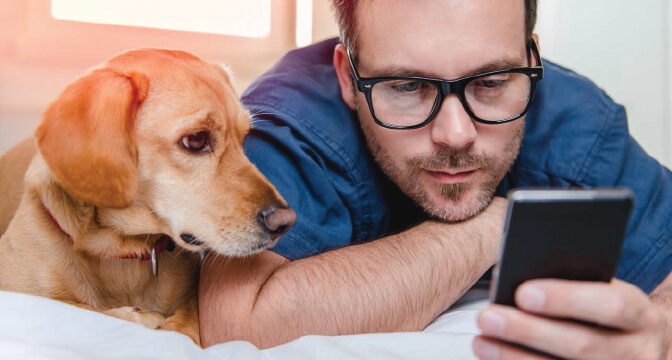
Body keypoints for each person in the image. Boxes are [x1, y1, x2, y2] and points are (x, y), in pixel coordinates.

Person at [198, 0, 672, 358]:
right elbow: (236, 325)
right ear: (347, 77)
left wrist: (661, 329)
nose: (456, 135)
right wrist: (490, 227)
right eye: (406, 86)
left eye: (491, 81)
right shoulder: (283, 124)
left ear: (532, 59)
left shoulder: (577, 125)